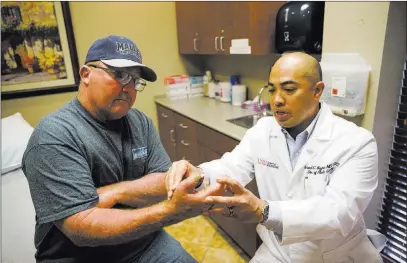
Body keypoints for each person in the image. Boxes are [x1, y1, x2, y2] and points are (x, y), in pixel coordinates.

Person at [166, 52, 385, 263]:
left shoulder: (357, 142)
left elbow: (339, 213)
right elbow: (232, 166)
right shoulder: (263, 131)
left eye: (289, 89)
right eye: (272, 90)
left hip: (336, 256)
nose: (277, 100)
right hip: (278, 252)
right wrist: (199, 175)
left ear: (317, 91)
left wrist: (264, 211)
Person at [22, 35, 224, 263]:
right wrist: (170, 212)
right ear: (85, 75)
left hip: (143, 242)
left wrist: (113, 192)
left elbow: (164, 181)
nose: (129, 88)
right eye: (119, 74)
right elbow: (82, 229)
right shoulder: (55, 135)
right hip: (80, 256)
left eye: (136, 80)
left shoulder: (140, 122)